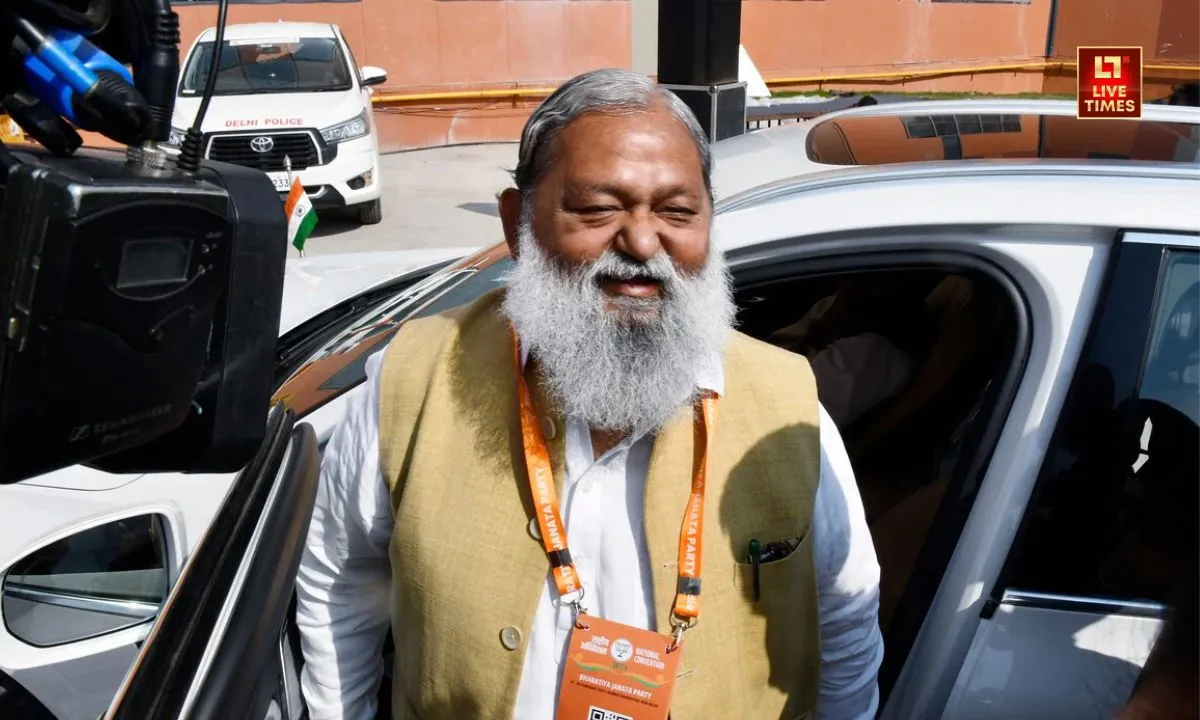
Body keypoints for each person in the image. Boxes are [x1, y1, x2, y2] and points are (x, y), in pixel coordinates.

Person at [294, 67, 883, 720]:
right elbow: (339, 583)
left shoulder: (785, 404)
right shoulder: (414, 379)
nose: (642, 243)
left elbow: (845, 616)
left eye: (677, 212)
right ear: (518, 224)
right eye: (599, 209)